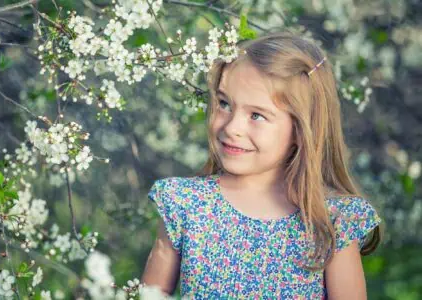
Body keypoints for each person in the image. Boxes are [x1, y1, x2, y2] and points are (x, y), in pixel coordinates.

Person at [141, 31, 382, 299]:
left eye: (257, 115)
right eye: (224, 103)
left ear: (301, 130)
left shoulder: (333, 221)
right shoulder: (185, 204)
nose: (232, 127)